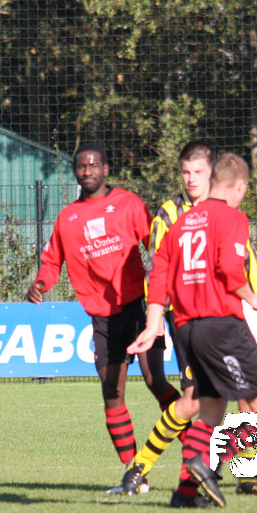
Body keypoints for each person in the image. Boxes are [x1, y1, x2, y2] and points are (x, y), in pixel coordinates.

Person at [125, 153, 257, 508]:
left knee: (211, 411)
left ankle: (184, 495)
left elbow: (158, 275)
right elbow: (230, 268)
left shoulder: (180, 223)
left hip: (186, 329)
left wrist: (152, 323)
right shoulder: (233, 217)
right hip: (222, 326)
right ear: (239, 187)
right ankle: (209, 461)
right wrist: (254, 298)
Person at [27, 142, 179, 492]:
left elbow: (156, 246)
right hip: (103, 319)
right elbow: (52, 261)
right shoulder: (67, 218)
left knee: (156, 382)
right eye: (81, 166)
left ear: (106, 169)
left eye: (94, 165)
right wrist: (41, 283)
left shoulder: (128, 204)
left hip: (139, 308)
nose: (87, 171)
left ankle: (198, 456)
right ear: (75, 171)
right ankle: (135, 475)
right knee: (112, 392)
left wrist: (164, 290)